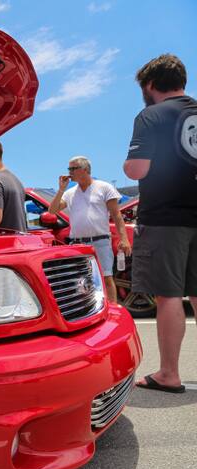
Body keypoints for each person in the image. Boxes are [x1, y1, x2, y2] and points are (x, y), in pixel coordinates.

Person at [123, 53, 197, 394]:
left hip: (166, 217)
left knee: (168, 294)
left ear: (150, 86)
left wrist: (128, 166)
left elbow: (138, 169)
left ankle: (169, 373)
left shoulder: (151, 115)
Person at [48, 156, 132, 303]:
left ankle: (112, 311)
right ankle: (88, 312)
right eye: (69, 169)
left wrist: (124, 239)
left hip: (100, 241)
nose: (69, 172)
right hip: (78, 244)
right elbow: (52, 210)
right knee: (81, 281)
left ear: (85, 170)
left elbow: (117, 216)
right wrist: (61, 190)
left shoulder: (104, 187)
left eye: (73, 168)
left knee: (106, 278)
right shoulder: (69, 193)